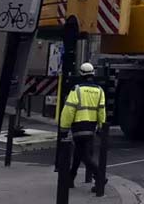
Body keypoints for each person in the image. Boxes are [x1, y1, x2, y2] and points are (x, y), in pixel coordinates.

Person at [59, 62, 106, 191]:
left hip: (79, 126)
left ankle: (100, 177)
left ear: (81, 74)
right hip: (91, 127)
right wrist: (101, 127)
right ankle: (70, 178)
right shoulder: (99, 91)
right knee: (79, 153)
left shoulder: (77, 89)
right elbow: (101, 111)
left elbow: (69, 110)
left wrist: (64, 128)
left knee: (84, 155)